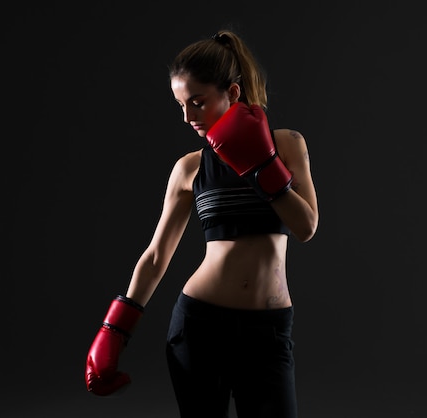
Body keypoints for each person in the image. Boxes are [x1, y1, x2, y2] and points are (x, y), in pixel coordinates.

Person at [85, 29, 319, 418]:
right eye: (180, 105)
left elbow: (306, 226)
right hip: (201, 326)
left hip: (269, 331)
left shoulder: (287, 144)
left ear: (233, 93)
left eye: (197, 102)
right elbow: (157, 255)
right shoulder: (188, 168)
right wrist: (115, 329)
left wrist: (261, 166)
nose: (188, 116)